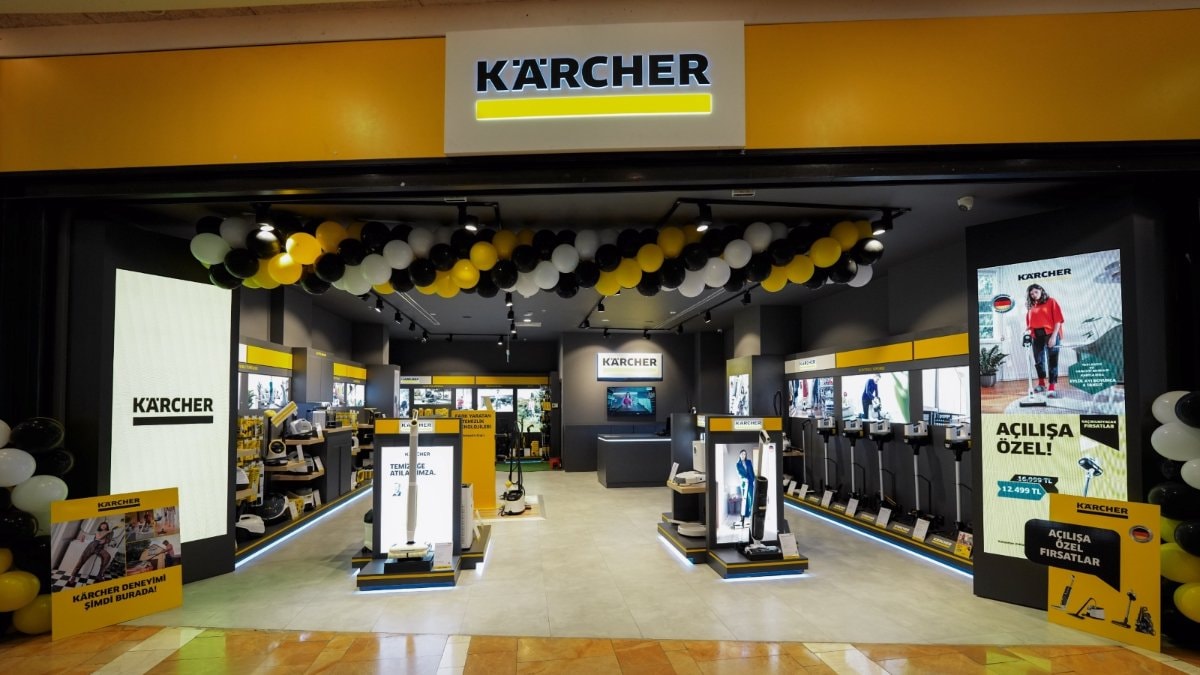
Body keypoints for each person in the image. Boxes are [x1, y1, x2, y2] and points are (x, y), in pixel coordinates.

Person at [1025, 283, 1065, 397]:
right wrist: (1027, 333)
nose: (1034, 295)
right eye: (1031, 294)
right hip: (1036, 335)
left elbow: (1058, 320)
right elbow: (1029, 323)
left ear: (1041, 291)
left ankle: (1052, 386)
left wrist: (1054, 336)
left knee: (1052, 360)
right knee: (1038, 360)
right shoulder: (1031, 305)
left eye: (1036, 292)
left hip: (1051, 333)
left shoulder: (1051, 301)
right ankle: (1041, 384)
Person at [736, 449, 755, 528]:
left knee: (750, 497)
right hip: (744, 483)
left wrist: (754, 480)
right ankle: (743, 515)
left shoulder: (749, 462)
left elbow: (752, 471)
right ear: (740, 455)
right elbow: (739, 473)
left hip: (750, 481)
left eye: (745, 454)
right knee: (744, 499)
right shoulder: (738, 464)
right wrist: (743, 478)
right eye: (742, 454)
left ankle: (750, 514)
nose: (743, 455)